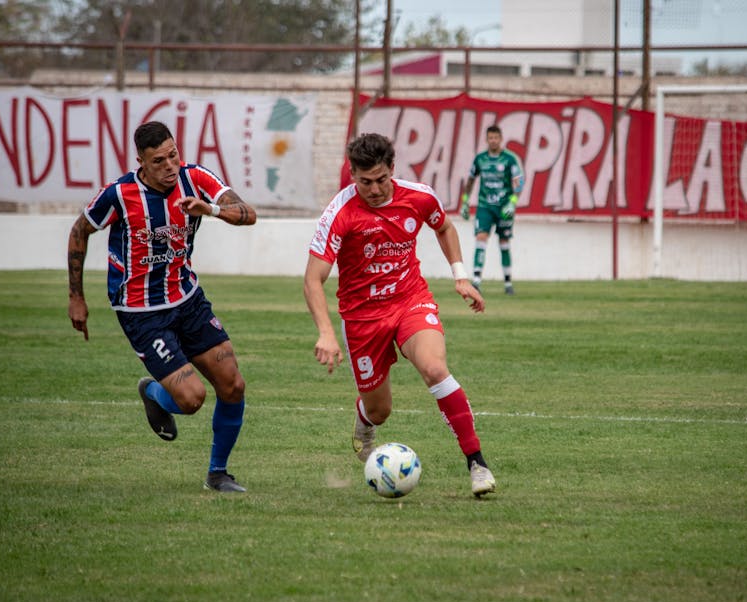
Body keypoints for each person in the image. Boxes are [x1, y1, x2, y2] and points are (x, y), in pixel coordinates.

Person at [67, 121, 258, 493]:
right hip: (141, 312)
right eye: (159, 161)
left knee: (233, 385)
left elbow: (248, 214)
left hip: (188, 301)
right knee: (191, 400)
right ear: (141, 162)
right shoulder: (120, 194)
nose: (171, 165)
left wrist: (211, 209)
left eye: (174, 155)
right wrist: (76, 296)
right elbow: (80, 231)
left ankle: (218, 474)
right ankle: (152, 393)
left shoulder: (195, 178)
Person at [304, 132, 497, 498]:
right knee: (380, 411)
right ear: (352, 175)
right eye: (365, 182)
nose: (374, 189)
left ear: (392, 169)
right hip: (361, 317)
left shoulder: (419, 196)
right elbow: (313, 279)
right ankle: (364, 423)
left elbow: (444, 226)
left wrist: (461, 277)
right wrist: (326, 333)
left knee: (435, 368)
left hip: (410, 300)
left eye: (381, 179)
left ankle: (477, 464)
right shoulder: (340, 213)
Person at [460, 125, 525, 295]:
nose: (493, 141)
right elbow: (471, 180)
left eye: (496, 138)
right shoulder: (480, 159)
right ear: (486, 139)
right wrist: (465, 201)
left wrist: (512, 202)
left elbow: (519, 183)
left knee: (504, 242)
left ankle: (508, 283)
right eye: (490, 138)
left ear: (501, 139)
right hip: (485, 206)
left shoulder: (510, 159)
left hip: (504, 208)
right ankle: (476, 280)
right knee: (481, 237)